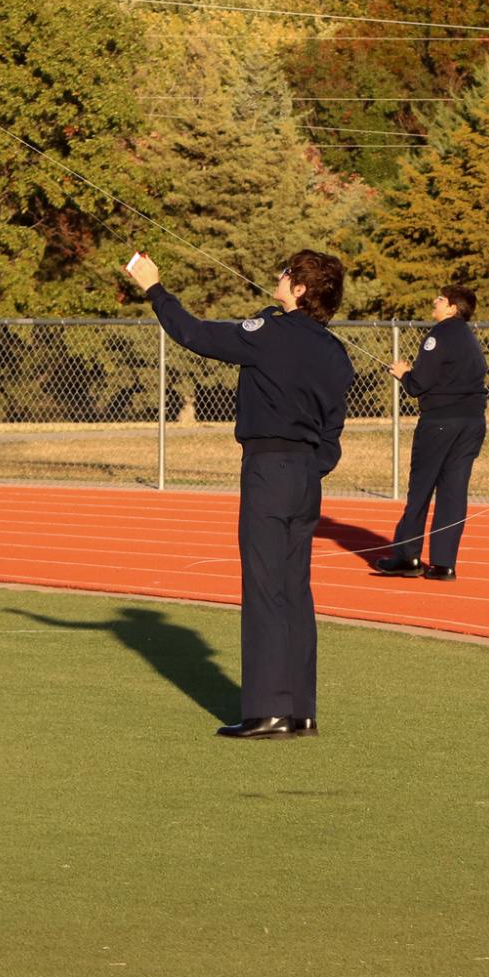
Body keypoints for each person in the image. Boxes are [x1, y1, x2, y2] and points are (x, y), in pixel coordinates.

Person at [125, 249, 354, 739]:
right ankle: (299, 711)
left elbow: (193, 334)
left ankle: (267, 712)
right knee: (294, 591)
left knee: (266, 589)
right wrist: (313, 468)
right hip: (307, 476)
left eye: (287, 274)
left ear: (300, 290)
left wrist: (154, 288)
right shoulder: (336, 352)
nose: (279, 276)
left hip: (270, 470)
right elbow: (333, 429)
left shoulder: (271, 333)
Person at [373, 283, 488, 581]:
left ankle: (407, 556)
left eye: (440, 299)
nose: (434, 303)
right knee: (453, 492)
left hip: (440, 423)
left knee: (422, 489)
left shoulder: (439, 335)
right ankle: (443, 563)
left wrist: (403, 374)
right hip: (472, 423)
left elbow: (418, 384)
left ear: (451, 307)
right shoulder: (470, 339)